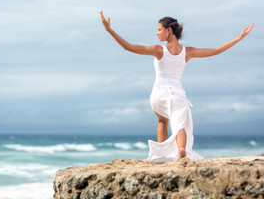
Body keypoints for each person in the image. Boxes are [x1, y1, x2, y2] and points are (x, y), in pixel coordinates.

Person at [100, 10, 254, 162]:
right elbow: (215, 51)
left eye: (159, 30)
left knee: (163, 120)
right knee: (180, 122)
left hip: (157, 96)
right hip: (175, 93)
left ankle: (161, 155)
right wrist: (238, 38)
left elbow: (128, 46)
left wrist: (109, 30)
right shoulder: (188, 52)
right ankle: (181, 149)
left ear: (169, 30)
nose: (157, 33)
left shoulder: (158, 50)